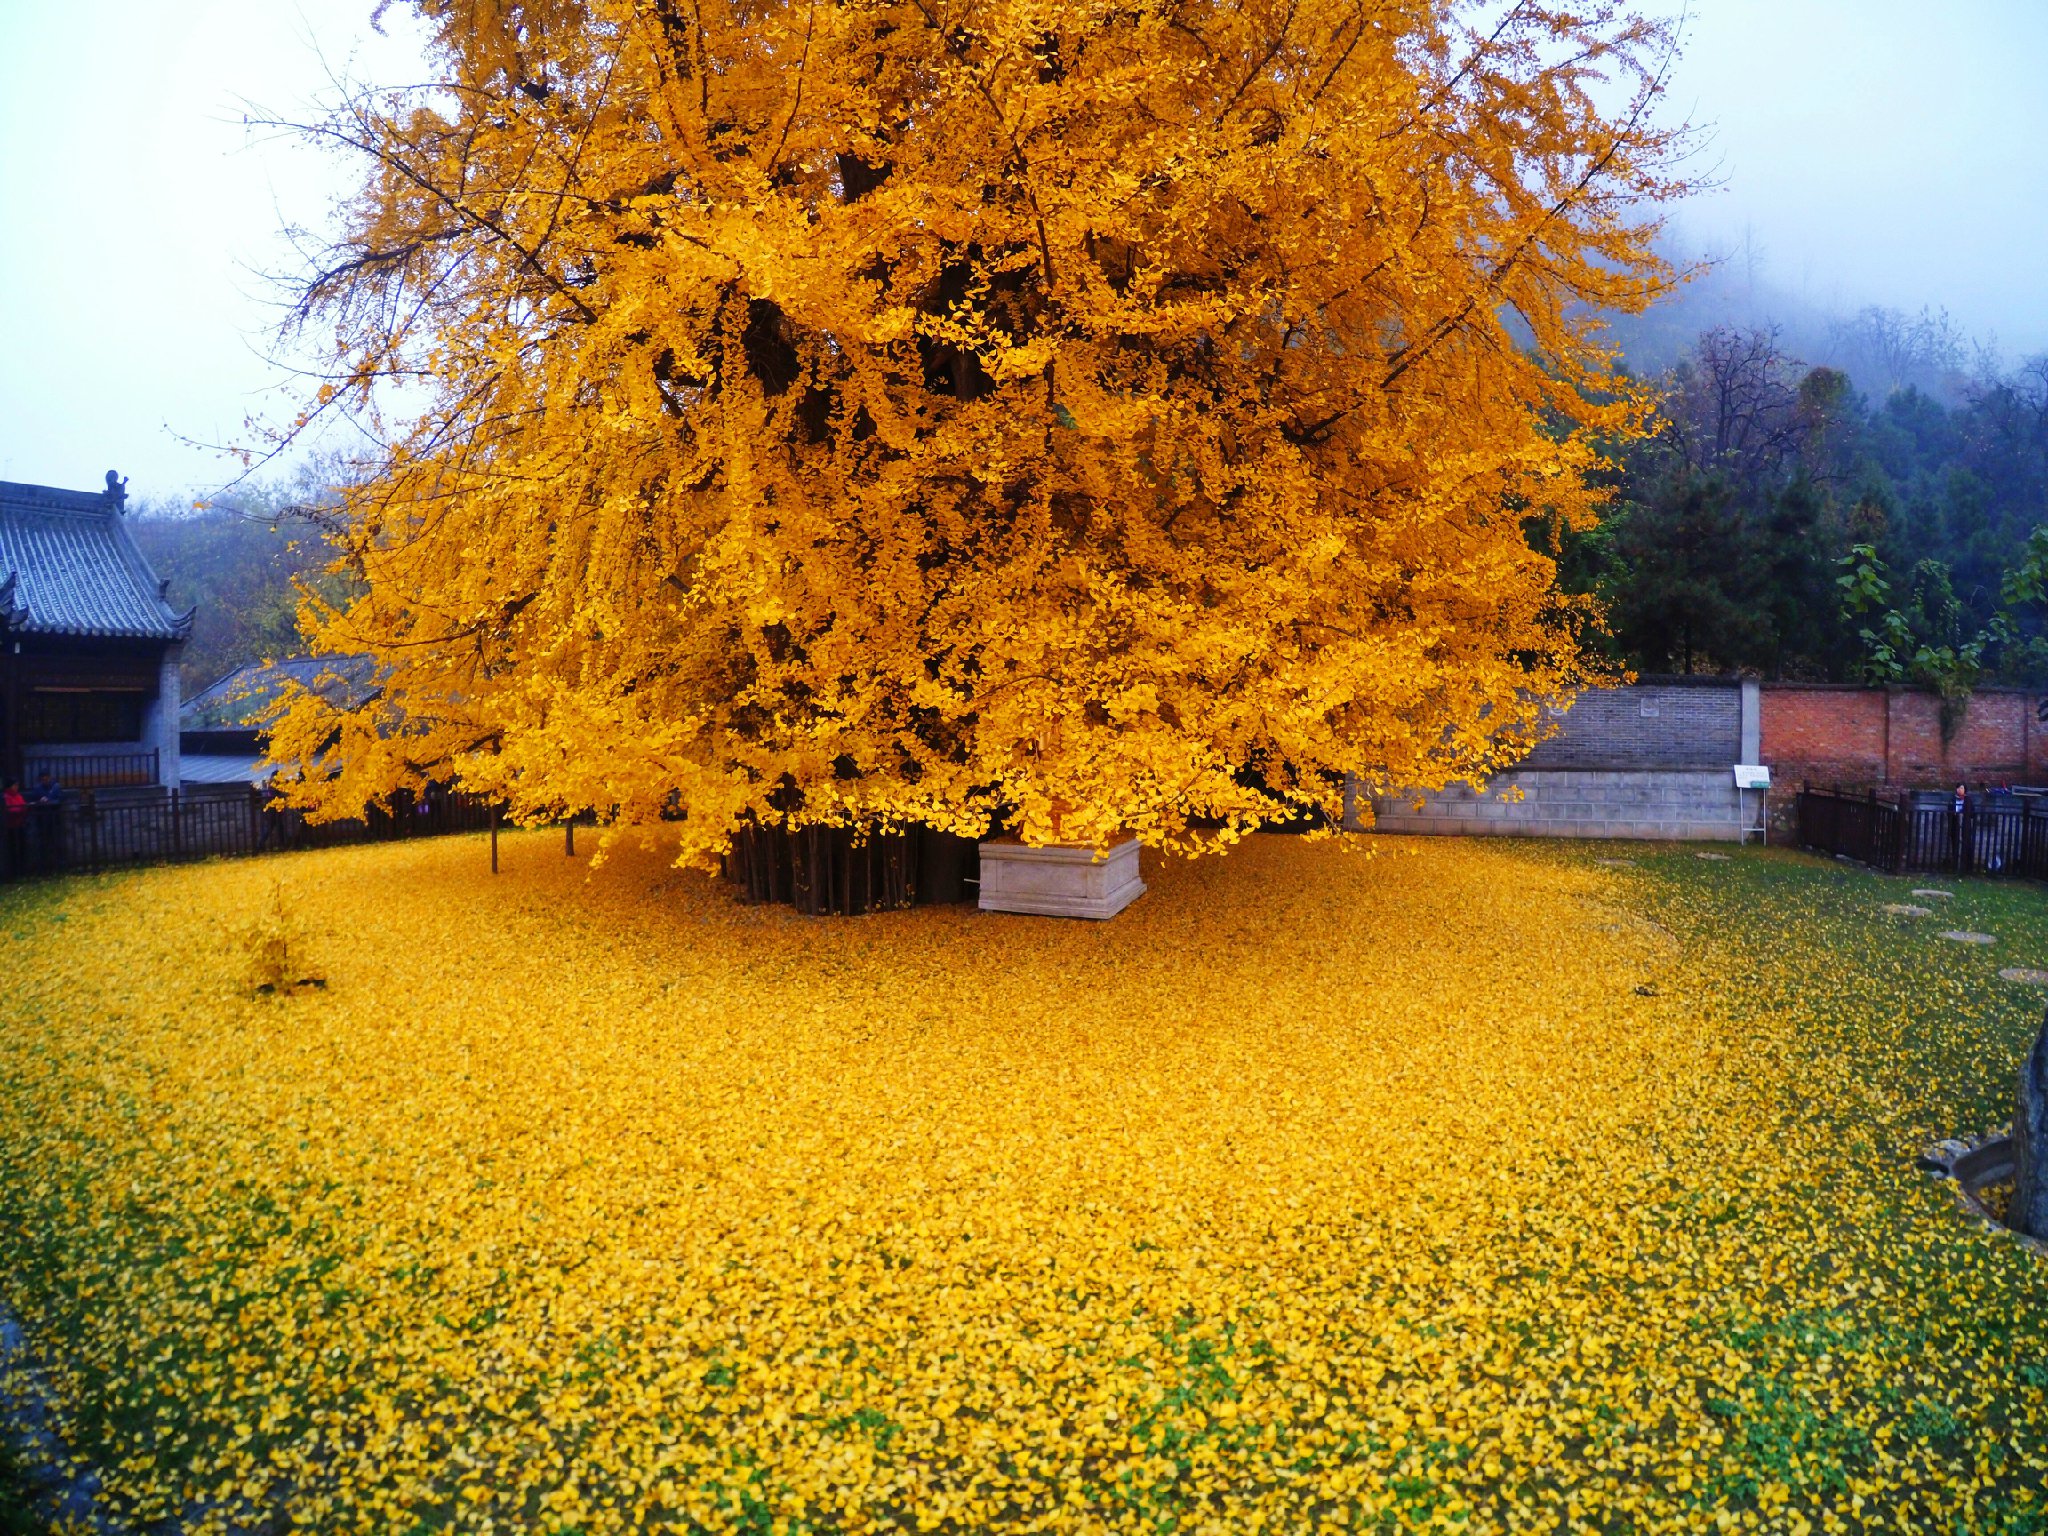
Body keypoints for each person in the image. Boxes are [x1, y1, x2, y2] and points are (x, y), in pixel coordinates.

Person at [2, 779, 27, 876]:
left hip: (20, 824)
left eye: (17, 785)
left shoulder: (19, 795)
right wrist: (21, 808)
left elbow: (23, 805)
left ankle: (22, 870)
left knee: (21, 847)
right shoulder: (6, 797)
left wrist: (23, 808)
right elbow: (9, 810)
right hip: (10, 826)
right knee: (12, 848)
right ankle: (13, 871)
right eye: (14, 785)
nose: (16, 787)